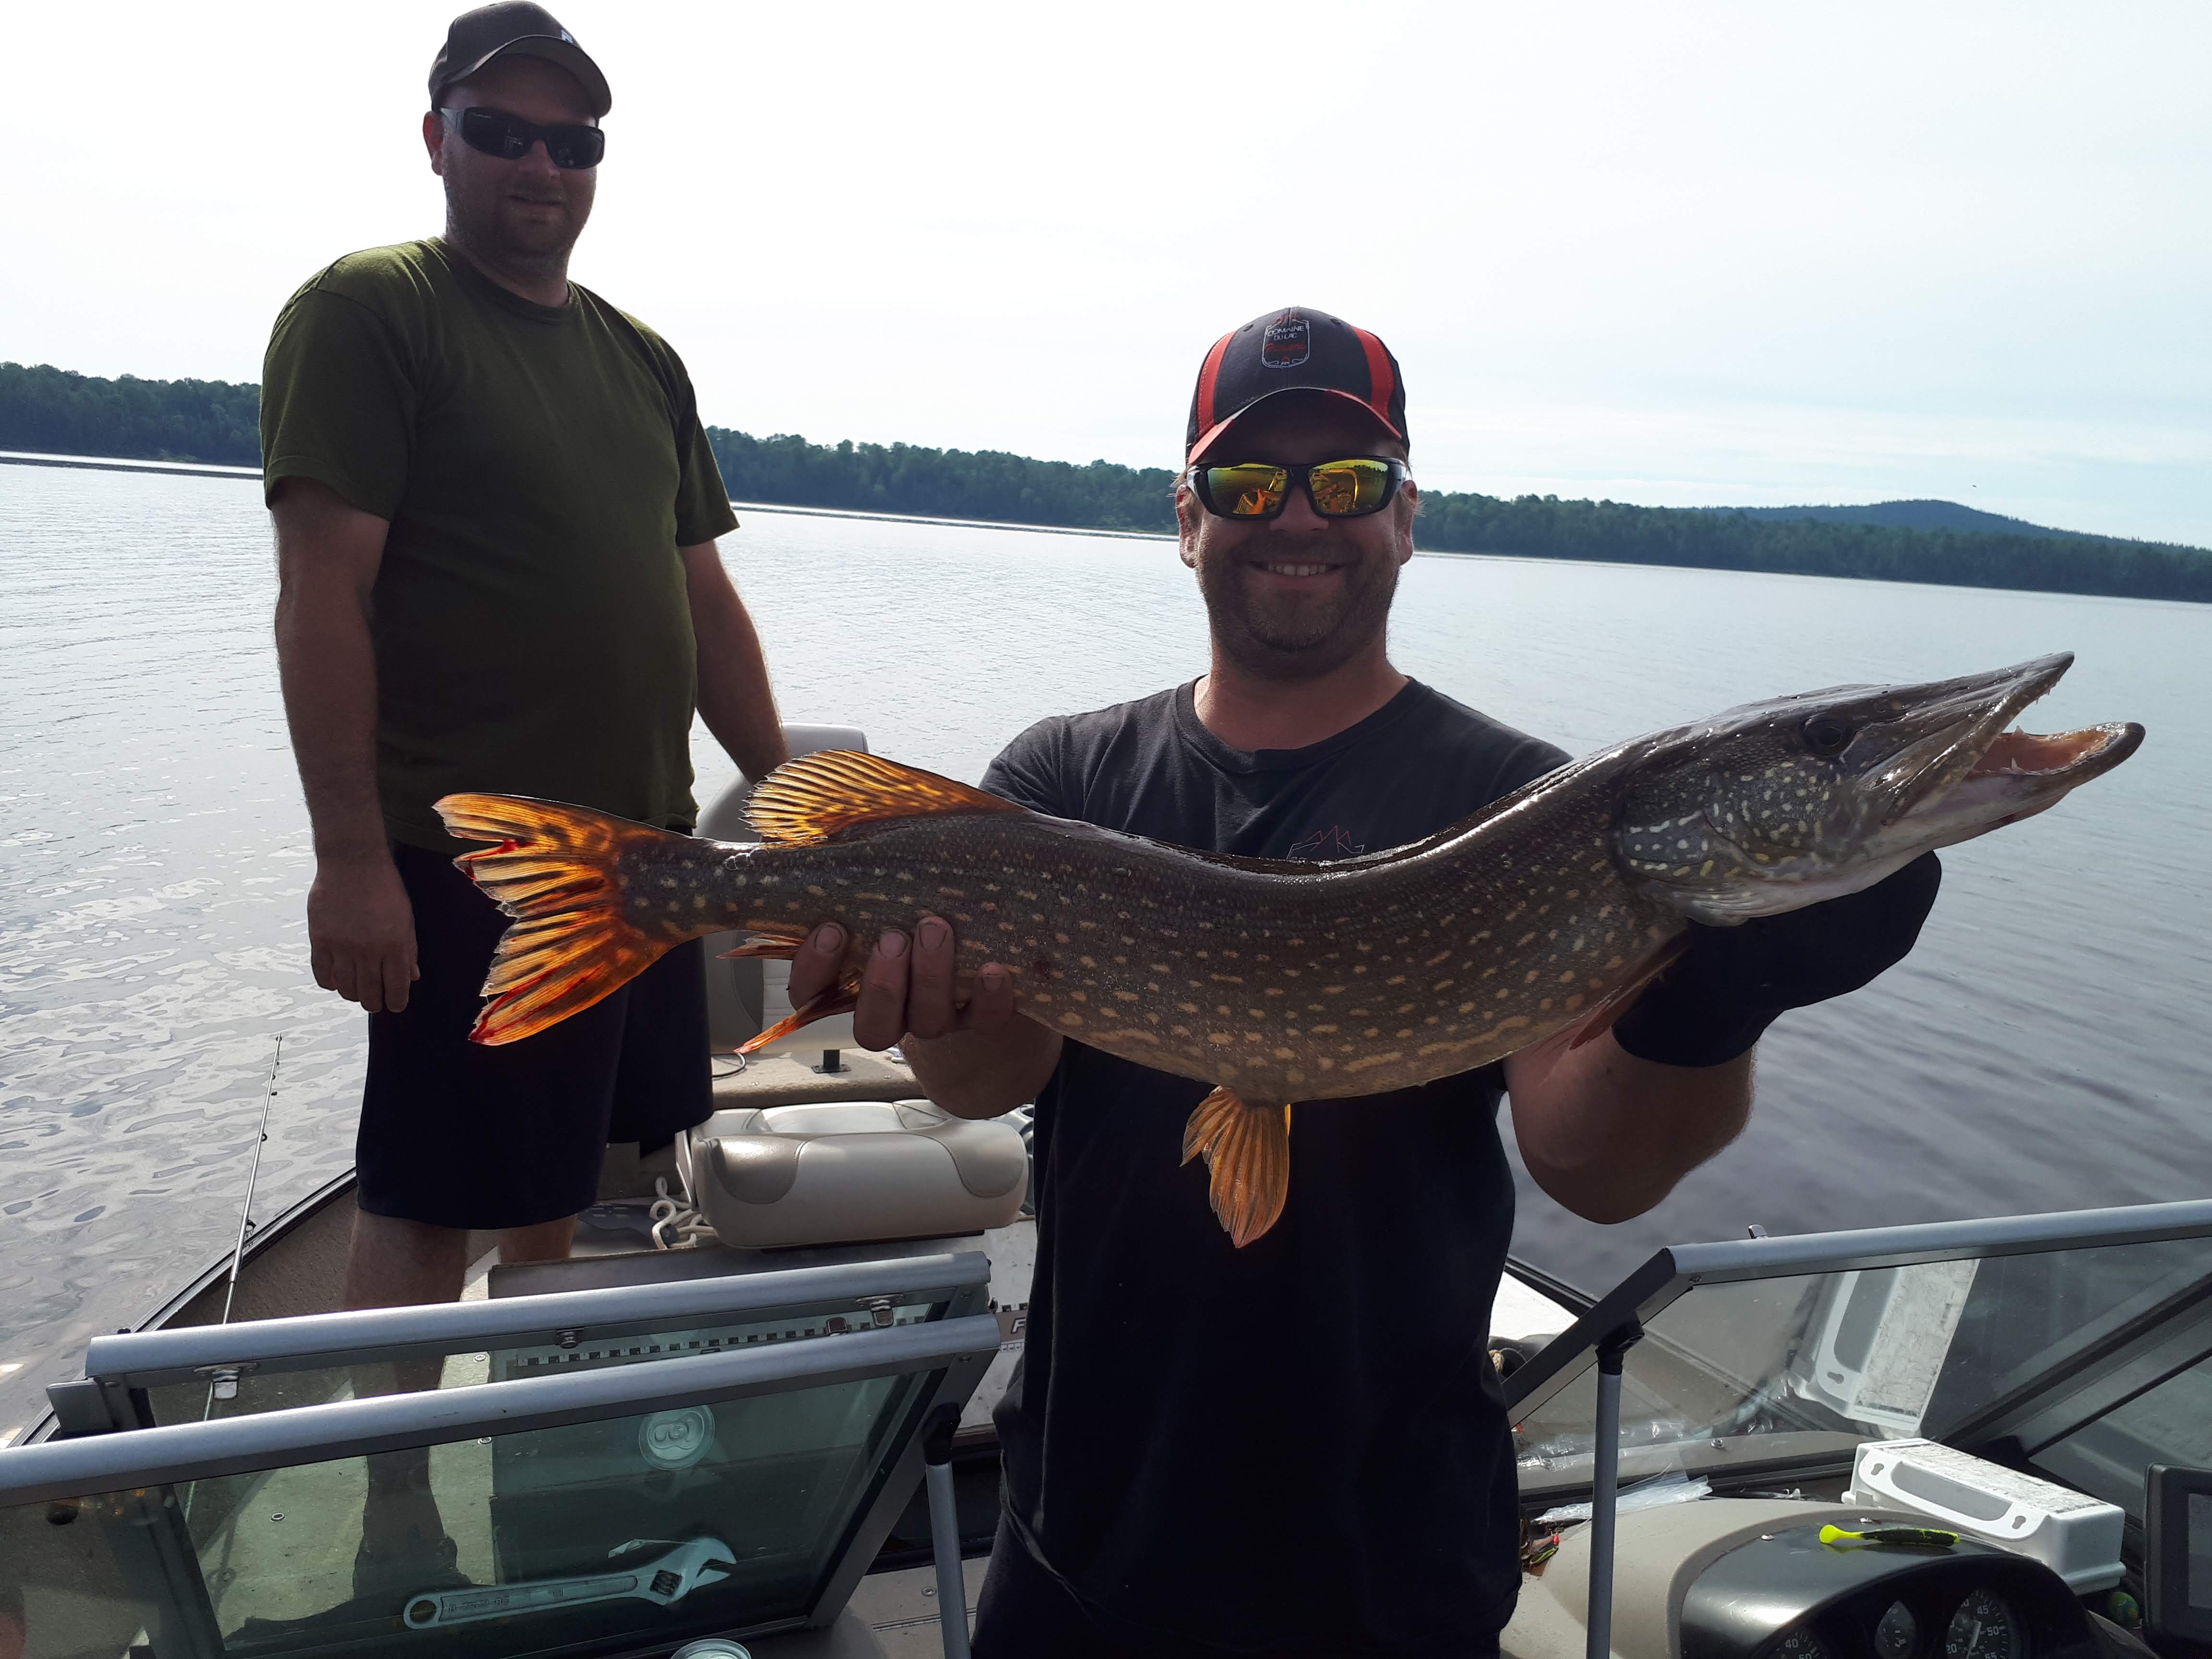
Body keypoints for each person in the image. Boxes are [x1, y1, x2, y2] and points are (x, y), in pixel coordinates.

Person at [786, 307, 1939, 1656]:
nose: (1297, 517)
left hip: (1386, 1543)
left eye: (1344, 482)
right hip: (1085, 1516)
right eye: (1246, 481)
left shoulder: (1522, 804)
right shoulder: (1064, 778)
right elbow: (992, 1080)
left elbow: (1598, 1170)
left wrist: (1714, 1004)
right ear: (1185, 518)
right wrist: (935, 1005)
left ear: (1405, 518)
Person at [262, 1, 786, 1594]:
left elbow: (699, 600)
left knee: (568, 1180)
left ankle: (542, 1456)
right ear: (440, 139)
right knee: (429, 1191)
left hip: (645, 868)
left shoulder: (642, 360)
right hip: (460, 863)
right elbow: (320, 599)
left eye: (575, 141)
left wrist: (794, 793)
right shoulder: (373, 315)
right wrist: (351, 859)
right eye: (505, 132)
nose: (541, 165)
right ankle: (394, 1512)